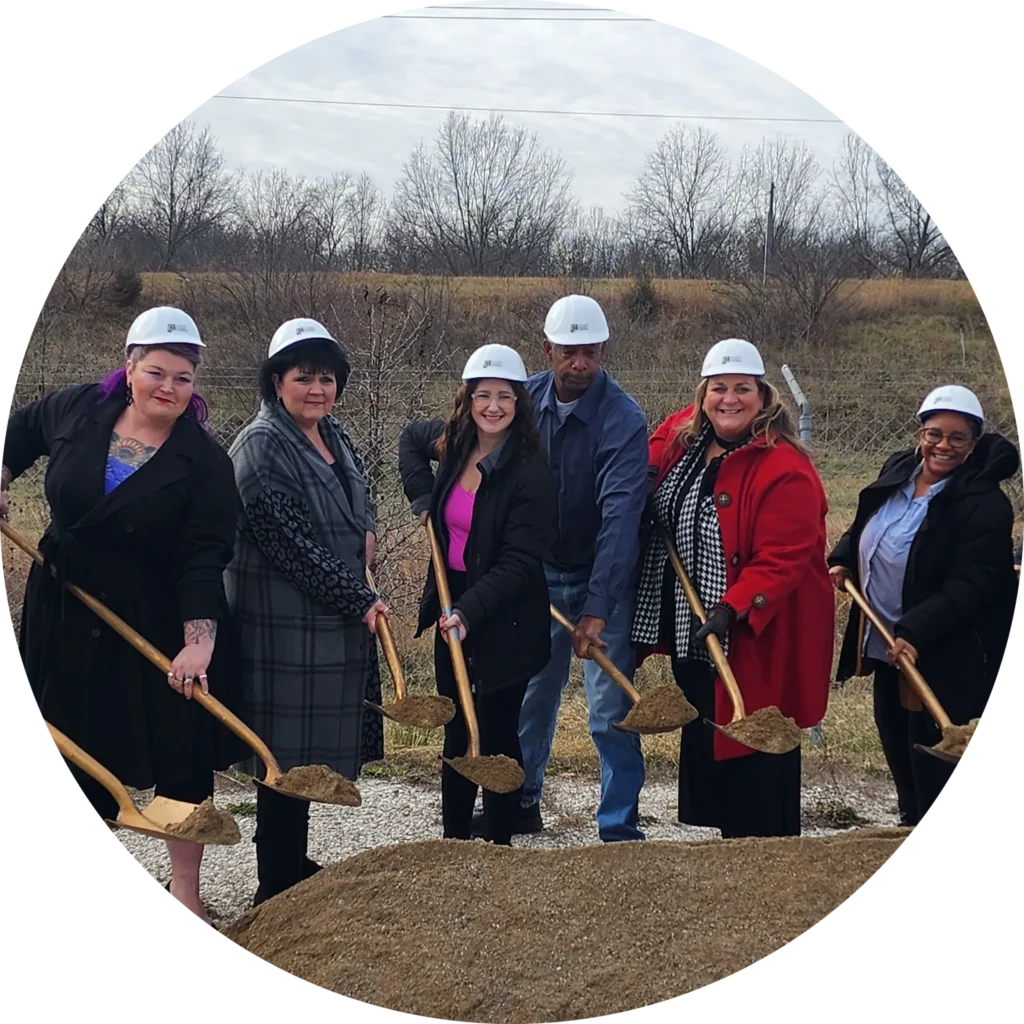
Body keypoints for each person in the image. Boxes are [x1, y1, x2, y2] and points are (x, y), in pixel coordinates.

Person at [1, 306, 248, 926]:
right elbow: (19, 434)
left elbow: (202, 558)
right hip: (63, 601)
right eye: (157, 371)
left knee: (180, 749)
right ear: (130, 364)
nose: (168, 387)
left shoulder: (205, 463)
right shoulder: (78, 409)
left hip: (154, 613)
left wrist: (199, 643)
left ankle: (185, 893)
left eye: (183, 377)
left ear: (195, 385)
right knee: (66, 740)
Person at [631, 338, 834, 839]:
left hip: (755, 632)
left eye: (742, 388)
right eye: (718, 388)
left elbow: (784, 557)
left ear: (763, 396)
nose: (729, 399)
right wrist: (651, 474)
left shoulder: (785, 468)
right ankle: (728, 845)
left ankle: (763, 846)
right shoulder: (689, 439)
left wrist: (734, 607)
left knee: (754, 736)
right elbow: (659, 440)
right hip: (693, 622)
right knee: (709, 723)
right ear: (703, 395)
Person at [469, 295, 650, 844]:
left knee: (609, 708)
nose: (579, 363)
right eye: (569, 352)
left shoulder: (623, 419)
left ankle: (618, 826)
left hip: (602, 573)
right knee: (533, 694)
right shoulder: (524, 403)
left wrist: (598, 607)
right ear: (547, 349)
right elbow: (484, 466)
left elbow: (621, 517)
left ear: (603, 351)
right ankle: (523, 802)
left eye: (590, 352)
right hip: (537, 574)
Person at [223, 317, 388, 906]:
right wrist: (361, 599)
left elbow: (359, 494)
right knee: (283, 759)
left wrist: (366, 529)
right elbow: (291, 546)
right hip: (282, 630)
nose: (316, 389)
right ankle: (275, 883)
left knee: (307, 756)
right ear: (275, 381)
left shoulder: (331, 432)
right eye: (303, 377)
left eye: (326, 378)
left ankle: (293, 860)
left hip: (326, 627)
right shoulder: (261, 447)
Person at [827, 384, 1019, 827]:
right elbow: (867, 520)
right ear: (920, 433)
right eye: (935, 433)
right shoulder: (900, 468)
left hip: (947, 649)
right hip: (888, 641)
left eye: (957, 438)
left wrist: (914, 630)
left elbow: (972, 583)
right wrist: (843, 557)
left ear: (973, 444)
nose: (943, 446)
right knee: (897, 745)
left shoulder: (984, 504)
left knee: (934, 762)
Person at [399, 344, 557, 845]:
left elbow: (518, 563)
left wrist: (468, 611)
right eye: (482, 395)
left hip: (505, 614)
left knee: (496, 731)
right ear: (467, 400)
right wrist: (423, 496)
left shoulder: (531, 473)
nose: (493, 406)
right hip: (454, 600)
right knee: (456, 728)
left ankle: (500, 844)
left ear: (519, 403)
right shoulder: (453, 445)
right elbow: (408, 440)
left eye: (504, 396)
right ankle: (454, 842)